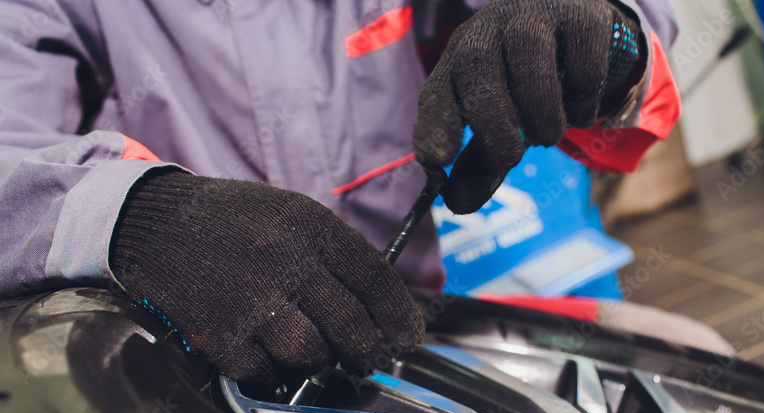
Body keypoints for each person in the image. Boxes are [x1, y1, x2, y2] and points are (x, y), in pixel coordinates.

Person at [0, 0, 681, 387]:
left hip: (401, 336)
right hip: (177, 369)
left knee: (680, 356)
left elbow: (622, 22)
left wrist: (603, 36)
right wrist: (138, 217)